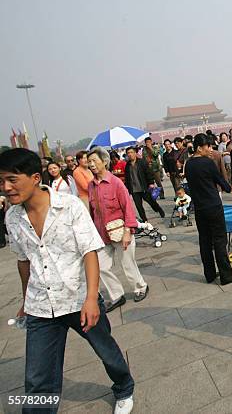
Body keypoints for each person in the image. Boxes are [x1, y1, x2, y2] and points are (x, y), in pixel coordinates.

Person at [0, 148, 135, 414]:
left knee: (106, 351)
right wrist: (26, 299)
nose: (6, 188)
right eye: (1, 181)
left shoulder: (69, 206)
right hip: (41, 305)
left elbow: (89, 251)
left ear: (35, 177)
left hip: (78, 297)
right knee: (37, 379)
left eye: (12, 180)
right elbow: (23, 260)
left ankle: (124, 388)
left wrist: (91, 298)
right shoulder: (12, 217)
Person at [87, 147, 150, 313]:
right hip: (102, 234)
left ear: (105, 162)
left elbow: (128, 207)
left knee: (127, 263)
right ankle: (117, 295)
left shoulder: (116, 183)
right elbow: (92, 212)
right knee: (100, 266)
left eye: (94, 161)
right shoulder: (91, 186)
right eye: (89, 162)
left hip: (121, 232)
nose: (91, 165)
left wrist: (128, 231)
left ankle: (140, 287)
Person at [184, 134, 232, 285]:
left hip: (199, 208)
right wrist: (231, 188)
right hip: (213, 206)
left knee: (204, 241)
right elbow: (220, 180)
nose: (210, 149)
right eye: (208, 146)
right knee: (219, 240)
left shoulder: (188, 164)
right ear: (199, 147)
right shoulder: (207, 162)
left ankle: (209, 274)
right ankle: (226, 276)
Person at [124, 146, 165, 222]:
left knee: (151, 202)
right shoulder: (127, 166)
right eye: (128, 153)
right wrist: (127, 189)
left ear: (135, 153)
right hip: (134, 189)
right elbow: (127, 178)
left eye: (131, 152)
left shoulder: (142, 162)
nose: (130, 154)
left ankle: (159, 209)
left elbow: (148, 173)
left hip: (144, 187)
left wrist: (151, 183)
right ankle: (144, 220)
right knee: (139, 206)